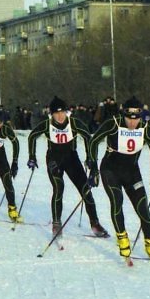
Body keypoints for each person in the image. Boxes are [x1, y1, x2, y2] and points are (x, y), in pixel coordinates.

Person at [88, 96, 150, 261]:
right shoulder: (114, 123)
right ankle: (122, 238)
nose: (132, 123)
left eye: (136, 119)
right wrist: (93, 168)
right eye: (129, 119)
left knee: (143, 208)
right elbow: (94, 141)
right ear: (123, 115)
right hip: (110, 170)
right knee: (117, 201)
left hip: (132, 172)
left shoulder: (145, 127)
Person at [27, 96, 108, 237]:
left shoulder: (74, 123)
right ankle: (57, 224)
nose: (60, 116)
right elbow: (32, 136)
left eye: (62, 112)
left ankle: (95, 223)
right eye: (56, 113)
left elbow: (88, 138)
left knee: (85, 189)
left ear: (66, 112)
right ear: (51, 114)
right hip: (53, 159)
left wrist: (90, 159)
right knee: (59, 188)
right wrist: (32, 157)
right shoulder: (47, 124)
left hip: (71, 159)